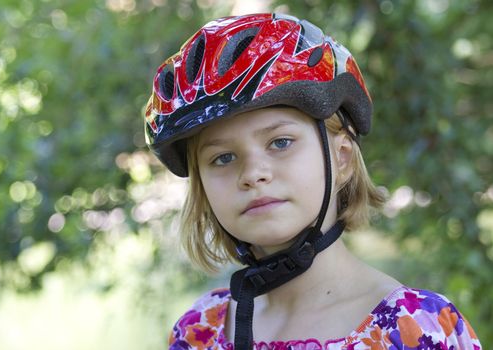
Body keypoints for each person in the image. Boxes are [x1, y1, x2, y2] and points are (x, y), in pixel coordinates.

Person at [144, 13, 482, 350]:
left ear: (343, 158)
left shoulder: (415, 331)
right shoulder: (197, 332)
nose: (252, 174)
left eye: (280, 142)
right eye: (223, 158)